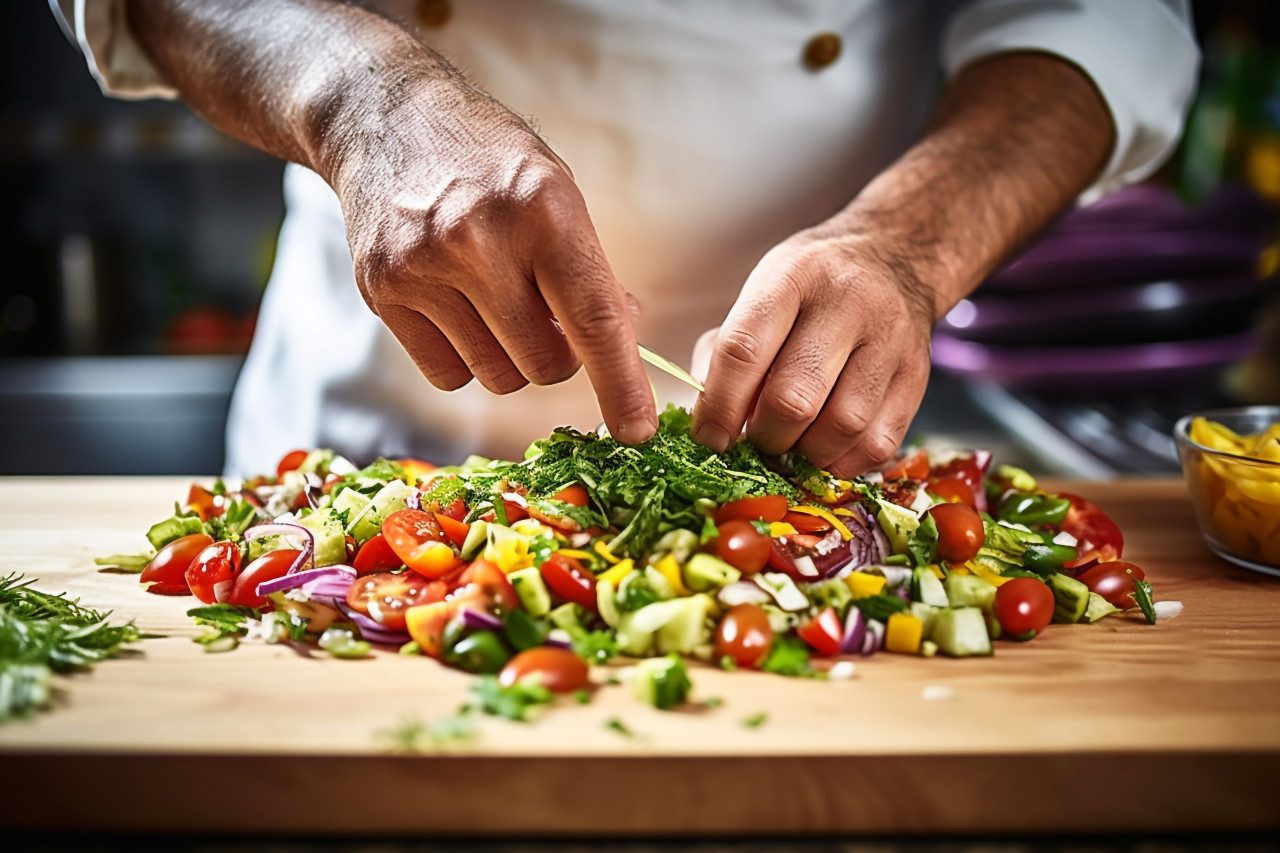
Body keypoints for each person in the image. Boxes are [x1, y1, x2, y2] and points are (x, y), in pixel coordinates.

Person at [55, 0, 1199, 477]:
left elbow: (1101, 18)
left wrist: (905, 245)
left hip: (788, 464)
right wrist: (362, 101)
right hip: (375, 428)